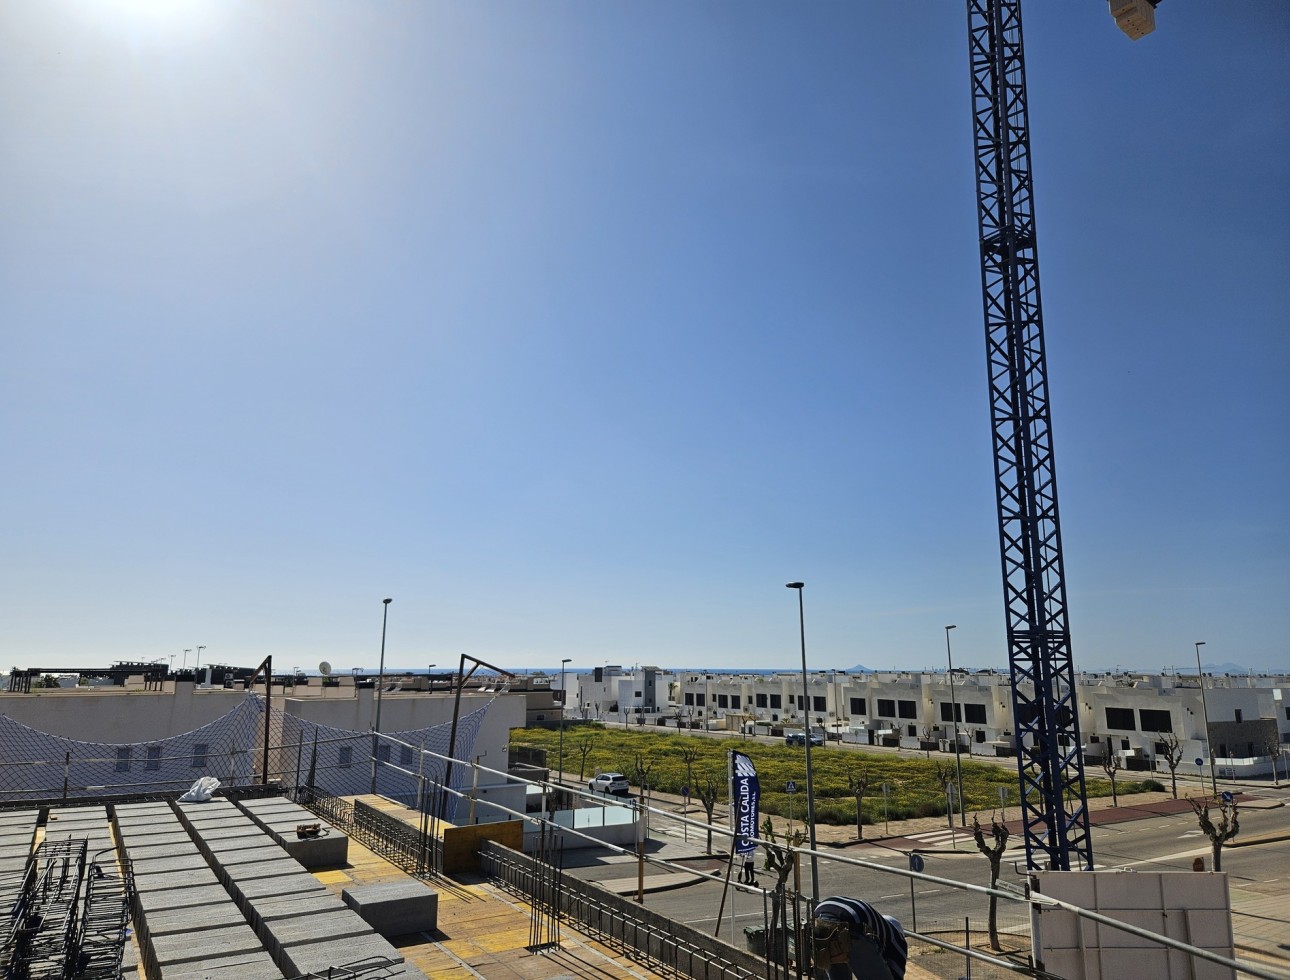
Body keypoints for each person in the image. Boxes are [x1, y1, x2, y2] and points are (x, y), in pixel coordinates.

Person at [811, 896, 907, 980]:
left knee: (836, 967)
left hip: (820, 917)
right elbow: (896, 974)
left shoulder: (879, 925)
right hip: (852, 927)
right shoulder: (897, 940)